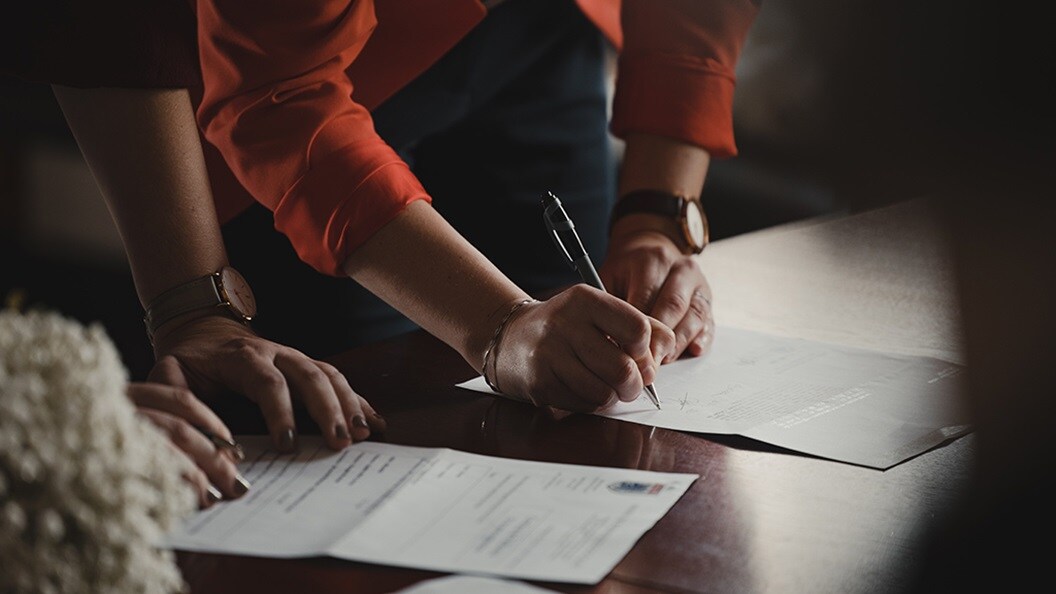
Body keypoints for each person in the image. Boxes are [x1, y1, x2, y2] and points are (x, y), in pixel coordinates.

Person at [181, 0, 758, 409]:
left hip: (549, 29)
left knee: (578, 373)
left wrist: (654, 220)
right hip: (320, 84)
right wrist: (496, 325)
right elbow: (281, 97)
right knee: (372, 413)